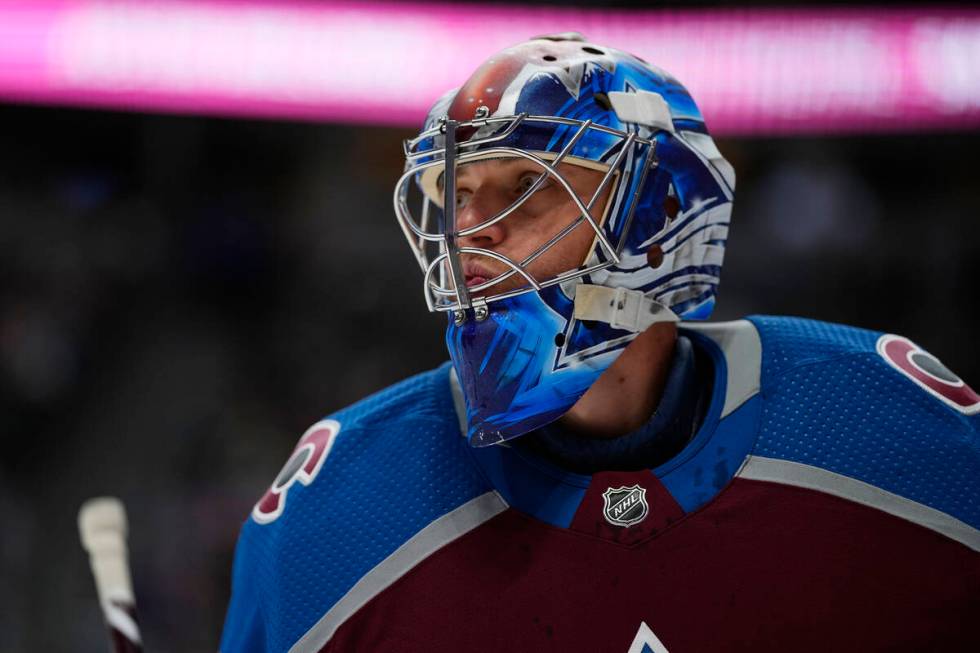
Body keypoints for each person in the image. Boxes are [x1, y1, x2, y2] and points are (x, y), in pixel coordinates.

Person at [220, 35, 980, 652]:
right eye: (457, 192)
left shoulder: (894, 432)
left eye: (526, 184)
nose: (471, 234)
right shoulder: (330, 514)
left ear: (657, 217)